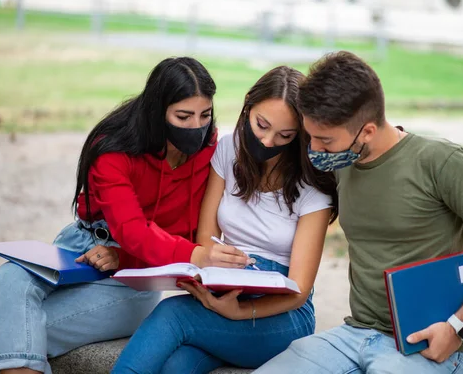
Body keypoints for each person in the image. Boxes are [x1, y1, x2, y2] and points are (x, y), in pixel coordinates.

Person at [253, 51, 463, 374]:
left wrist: (459, 326)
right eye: (310, 138)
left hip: (424, 345)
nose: (314, 150)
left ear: (367, 132)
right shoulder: (342, 163)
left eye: (325, 141)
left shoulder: (440, 162)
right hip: (353, 334)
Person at [0, 57, 249, 374]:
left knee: (19, 330)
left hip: (135, 278)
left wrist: (123, 258)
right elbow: (132, 230)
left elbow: (175, 238)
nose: (196, 126)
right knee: (7, 279)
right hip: (79, 248)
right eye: (183, 116)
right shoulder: (113, 148)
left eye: (204, 115)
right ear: (157, 112)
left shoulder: (212, 152)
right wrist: (198, 255)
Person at [111, 66, 339, 374]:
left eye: (285, 135)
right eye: (261, 125)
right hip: (224, 289)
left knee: (172, 315)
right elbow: (206, 236)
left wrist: (242, 311)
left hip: (279, 314)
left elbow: (298, 291)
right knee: (177, 366)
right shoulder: (228, 149)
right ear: (248, 105)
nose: (269, 141)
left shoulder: (312, 186)